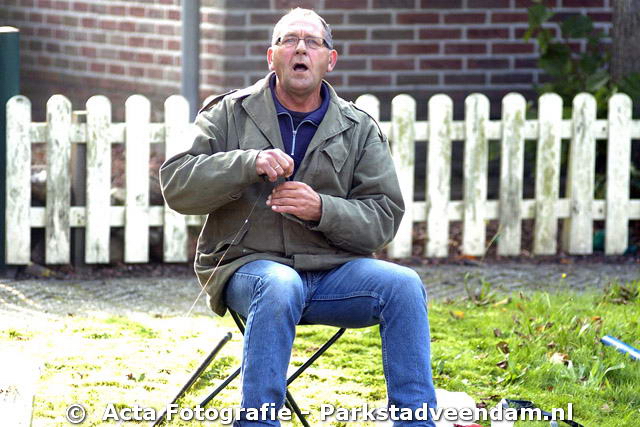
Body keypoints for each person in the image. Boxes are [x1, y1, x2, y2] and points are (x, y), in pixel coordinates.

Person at [160, 8, 437, 426]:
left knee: (403, 285)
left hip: (333, 274)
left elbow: (383, 219)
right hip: (248, 267)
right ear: (271, 56)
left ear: (331, 59)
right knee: (279, 284)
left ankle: (416, 420)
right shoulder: (228, 113)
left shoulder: (359, 127)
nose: (301, 49)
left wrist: (322, 209)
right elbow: (176, 184)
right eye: (289, 40)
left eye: (313, 42)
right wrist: (247, 163)